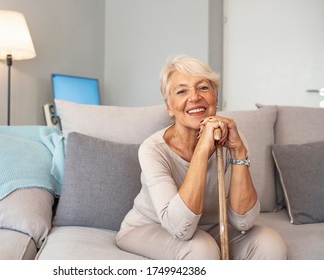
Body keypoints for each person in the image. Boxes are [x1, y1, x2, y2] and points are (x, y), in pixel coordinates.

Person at [116, 55, 287, 260]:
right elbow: (181, 229)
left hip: (211, 229)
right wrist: (202, 151)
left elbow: (244, 222)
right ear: (169, 106)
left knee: (270, 243)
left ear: (215, 96)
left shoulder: (233, 139)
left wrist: (238, 151)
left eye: (204, 88)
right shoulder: (153, 149)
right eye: (181, 91)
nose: (195, 97)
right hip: (152, 228)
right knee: (201, 248)